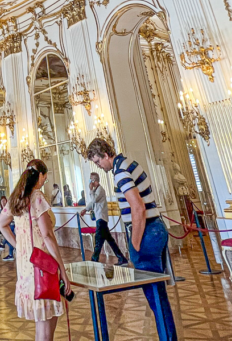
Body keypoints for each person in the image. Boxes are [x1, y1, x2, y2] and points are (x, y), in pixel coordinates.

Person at [87, 138, 177, 341]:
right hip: (155, 229)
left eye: (97, 161)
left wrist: (134, 244)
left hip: (147, 232)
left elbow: (138, 207)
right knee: (157, 292)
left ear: (105, 154)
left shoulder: (120, 172)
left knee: (155, 295)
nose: (99, 166)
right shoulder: (130, 164)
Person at [0, 160, 69, 340]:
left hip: (26, 265)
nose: (45, 181)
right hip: (43, 265)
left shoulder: (17, 197)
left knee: (42, 324)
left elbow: (1, 223)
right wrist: (63, 269)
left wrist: (19, 246)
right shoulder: (37, 197)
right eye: (45, 177)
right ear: (41, 175)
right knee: (45, 327)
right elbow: (47, 235)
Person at [81, 172, 128, 266]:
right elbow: (93, 203)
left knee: (98, 240)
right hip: (100, 218)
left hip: (101, 218)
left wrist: (90, 190)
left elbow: (94, 200)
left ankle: (94, 259)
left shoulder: (100, 190)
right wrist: (85, 209)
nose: (90, 181)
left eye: (91, 179)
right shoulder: (96, 190)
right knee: (109, 240)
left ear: (95, 180)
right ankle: (121, 258)